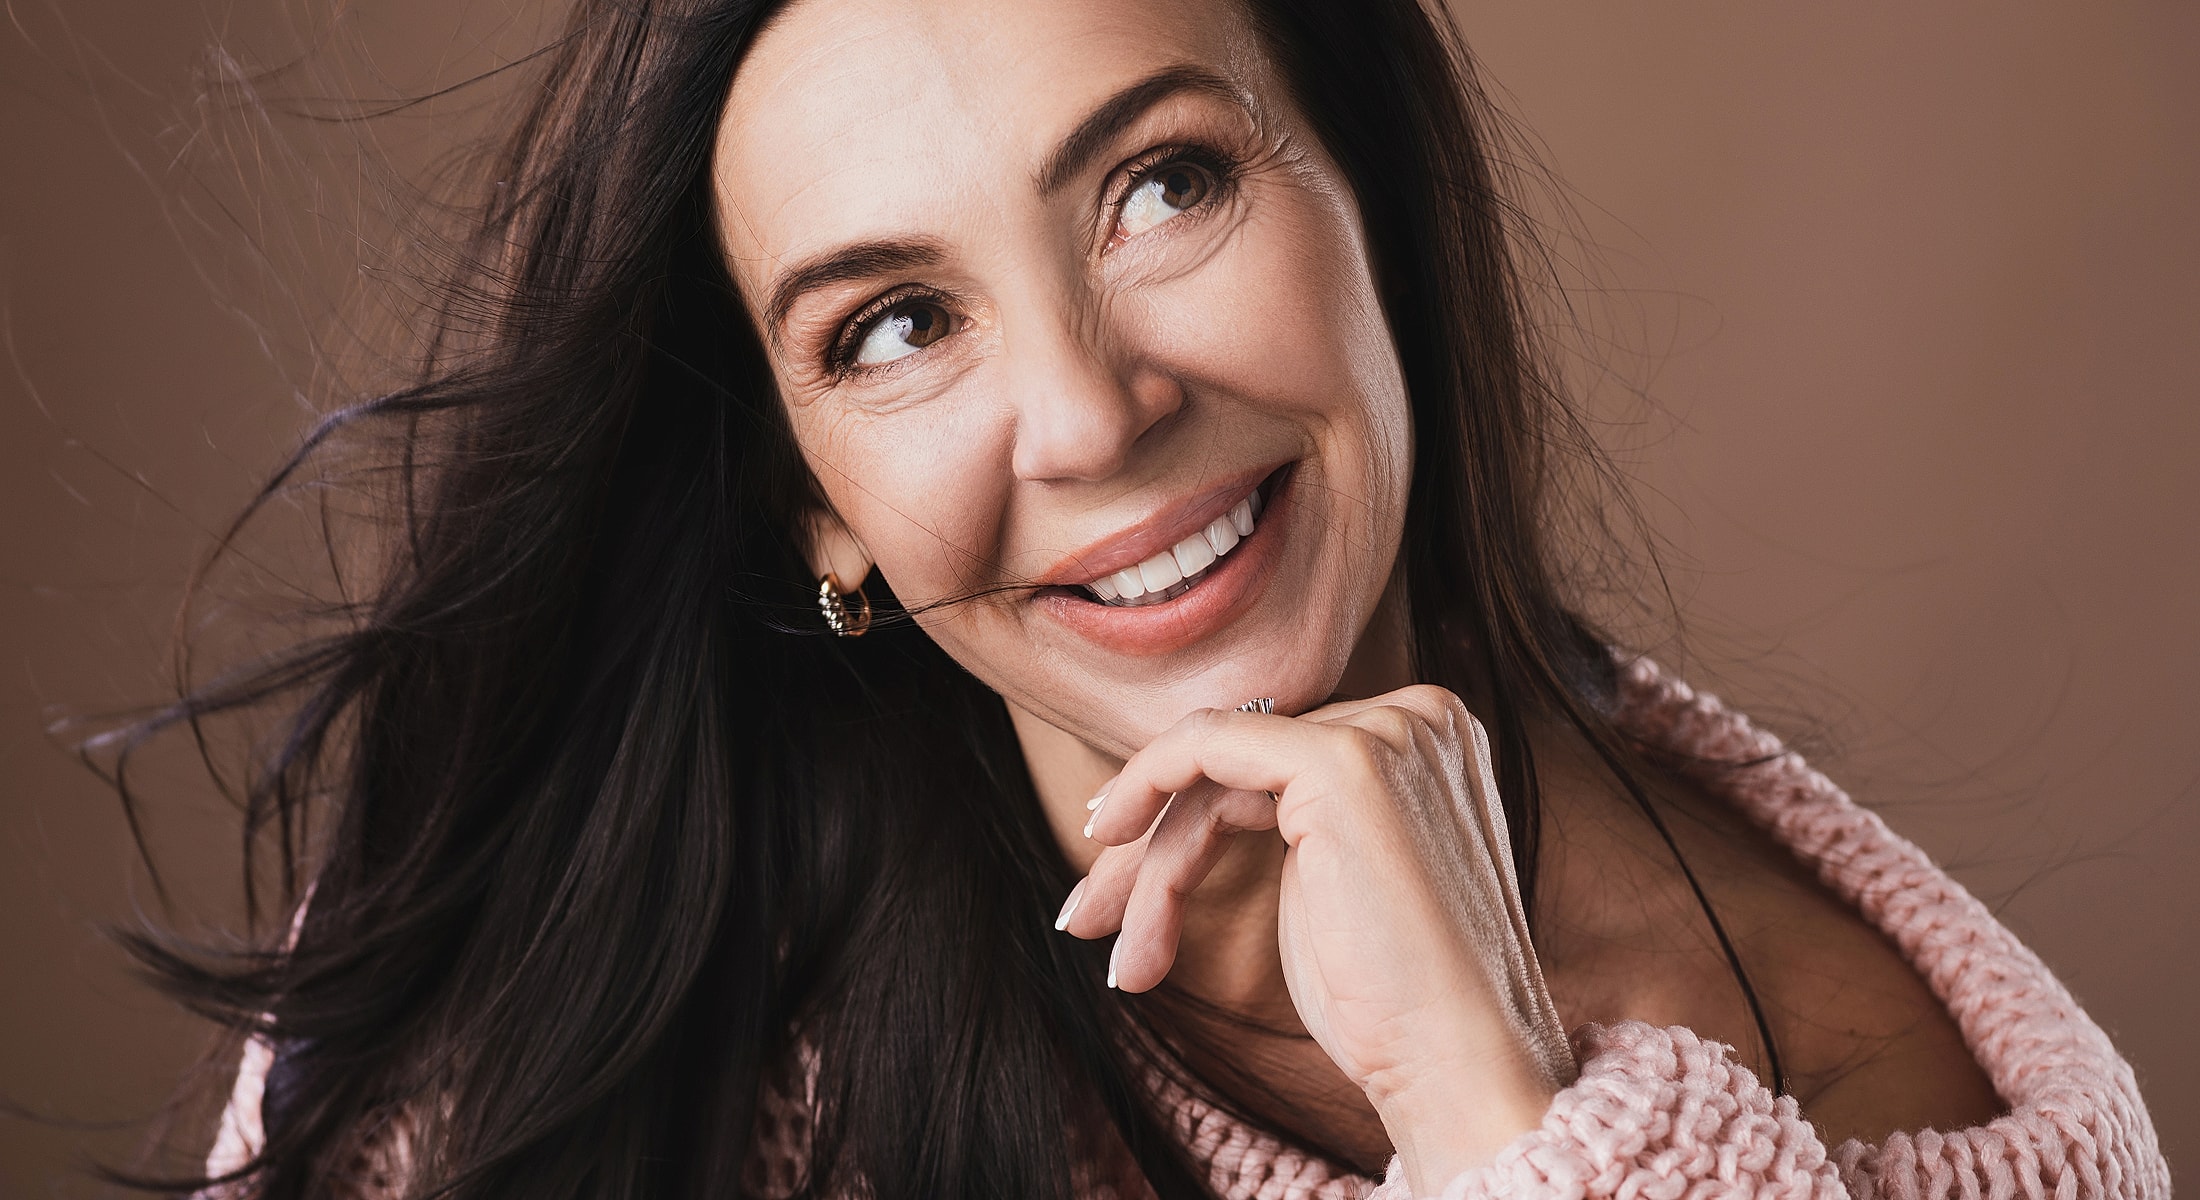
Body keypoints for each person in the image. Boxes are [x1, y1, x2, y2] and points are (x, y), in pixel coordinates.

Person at [145, 0, 2163, 1196]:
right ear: (816, 516)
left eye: (1161, 184)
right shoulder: (565, 1008)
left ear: (1370, 201)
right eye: (897, 325)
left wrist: (1493, 1111)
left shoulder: (1914, 1090)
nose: (1095, 414)